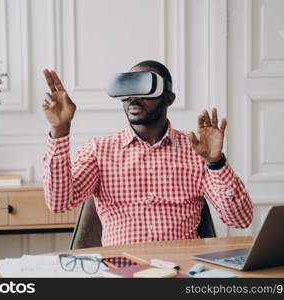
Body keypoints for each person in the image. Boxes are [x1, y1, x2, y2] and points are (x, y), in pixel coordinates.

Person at [41, 60, 253, 247]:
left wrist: (216, 163)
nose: (134, 97)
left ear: (169, 98)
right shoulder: (98, 150)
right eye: (128, 88)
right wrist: (60, 129)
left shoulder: (196, 151)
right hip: (122, 272)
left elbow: (240, 220)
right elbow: (59, 204)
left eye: (145, 88)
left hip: (182, 269)